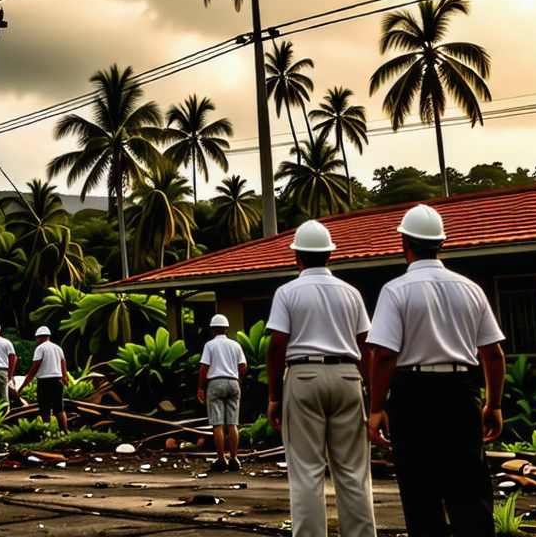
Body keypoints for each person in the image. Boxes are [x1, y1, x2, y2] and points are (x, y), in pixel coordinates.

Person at [367, 204, 505, 537]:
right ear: (441, 244)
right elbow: (493, 354)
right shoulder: (471, 289)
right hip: (461, 391)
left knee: (420, 492)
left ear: (404, 243)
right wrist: (494, 405)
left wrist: (376, 407)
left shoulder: (396, 290)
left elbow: (385, 355)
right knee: (469, 489)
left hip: (413, 395)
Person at [265, 220, 376, 537]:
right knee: (354, 472)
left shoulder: (287, 292)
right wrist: (366, 389)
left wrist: (275, 396)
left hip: (303, 375)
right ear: (330, 255)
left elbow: (276, 347)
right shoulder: (351, 293)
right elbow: (366, 346)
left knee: (306, 473)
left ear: (296, 256)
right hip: (347, 375)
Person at [197, 313, 248, 472]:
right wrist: (238, 378)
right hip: (232, 382)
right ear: (227, 329)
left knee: (217, 425)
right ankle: (234, 459)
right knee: (232, 424)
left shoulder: (210, 345)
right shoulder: (235, 345)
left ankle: (221, 459)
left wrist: (200, 387)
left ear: (212, 330)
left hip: (215, 382)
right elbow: (243, 365)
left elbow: (204, 367)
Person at [19, 326, 68, 432]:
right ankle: (64, 431)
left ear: (39, 337)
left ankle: (47, 431)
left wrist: (23, 386)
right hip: (57, 380)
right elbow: (63, 362)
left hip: (45, 381)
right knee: (59, 407)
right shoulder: (57, 348)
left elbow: (35, 367)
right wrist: (65, 376)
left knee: (45, 408)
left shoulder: (40, 349)